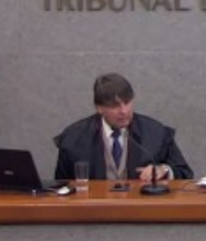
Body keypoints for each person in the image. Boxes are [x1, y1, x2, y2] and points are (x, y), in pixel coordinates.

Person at [53, 73, 194, 181]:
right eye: (115, 106)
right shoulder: (73, 139)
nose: (124, 111)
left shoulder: (155, 132)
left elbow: (185, 173)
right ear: (99, 108)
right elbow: (62, 187)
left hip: (141, 207)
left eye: (127, 102)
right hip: (93, 208)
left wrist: (164, 170)